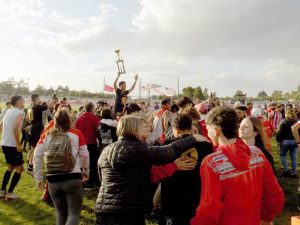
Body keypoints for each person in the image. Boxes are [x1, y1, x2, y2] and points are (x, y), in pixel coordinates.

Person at [95, 115, 207, 225]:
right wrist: (192, 138)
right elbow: (168, 151)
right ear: (134, 129)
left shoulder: (106, 150)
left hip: (105, 208)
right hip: (130, 211)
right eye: (142, 127)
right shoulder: (137, 150)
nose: (147, 128)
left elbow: (101, 177)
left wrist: (173, 166)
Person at [191, 107, 284, 225]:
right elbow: (275, 196)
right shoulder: (258, 154)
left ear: (216, 131)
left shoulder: (211, 163)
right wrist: (265, 217)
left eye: (208, 130)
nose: (208, 134)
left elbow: (209, 209)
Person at [33, 108, 89, 225]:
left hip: (53, 178)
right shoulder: (76, 134)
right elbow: (84, 155)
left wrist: (38, 179)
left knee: (60, 213)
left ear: (55, 120)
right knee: (74, 213)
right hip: (73, 176)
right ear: (69, 120)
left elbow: (36, 157)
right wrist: (85, 171)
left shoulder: (46, 135)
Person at [159, 114, 213, 225]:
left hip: (172, 199)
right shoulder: (206, 145)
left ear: (176, 130)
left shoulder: (166, 146)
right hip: (196, 196)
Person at [0, 96, 25, 200]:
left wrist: (6, 136)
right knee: (19, 168)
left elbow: (0, 125)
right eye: (22, 100)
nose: (24, 102)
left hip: (5, 143)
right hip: (12, 144)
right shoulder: (20, 113)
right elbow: (15, 129)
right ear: (18, 102)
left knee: (10, 166)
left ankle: (2, 192)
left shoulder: (9, 111)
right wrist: (18, 144)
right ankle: (10, 193)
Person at [27, 94, 56, 175]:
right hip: (37, 130)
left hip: (32, 129)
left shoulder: (32, 107)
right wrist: (53, 99)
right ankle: (31, 167)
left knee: (33, 148)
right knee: (36, 149)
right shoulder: (37, 107)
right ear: (37, 98)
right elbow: (49, 106)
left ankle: (30, 165)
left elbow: (29, 119)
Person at [75, 102, 100, 189]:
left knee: (83, 164)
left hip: (81, 144)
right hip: (91, 143)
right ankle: (91, 182)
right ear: (92, 108)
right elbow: (97, 131)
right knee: (92, 164)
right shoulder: (94, 118)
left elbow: (76, 130)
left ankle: (83, 181)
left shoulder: (79, 118)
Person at [276, 108, 298, 178]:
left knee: (282, 155)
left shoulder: (283, 121)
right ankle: (294, 173)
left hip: (285, 141)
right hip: (294, 141)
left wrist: (278, 140)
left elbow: (279, 132)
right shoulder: (296, 121)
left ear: (286, 113)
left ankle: (286, 170)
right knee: (294, 157)